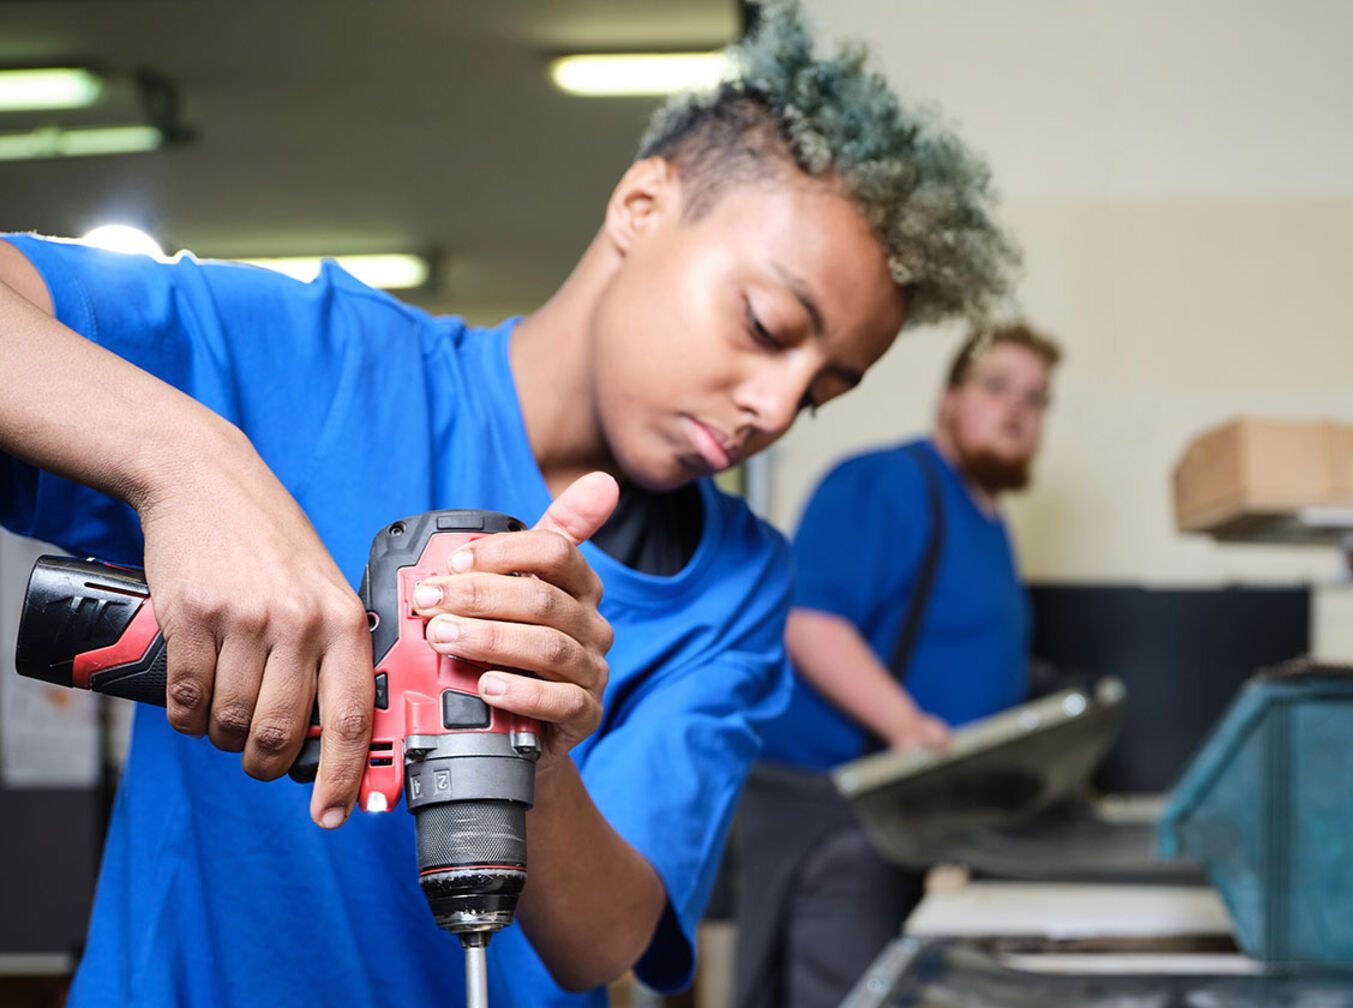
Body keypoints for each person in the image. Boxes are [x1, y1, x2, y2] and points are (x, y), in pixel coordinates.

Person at [0, 5, 1017, 1006]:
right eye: (765, 324)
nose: (778, 405)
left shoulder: (735, 582)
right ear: (643, 205)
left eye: (827, 387)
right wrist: (191, 462)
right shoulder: (311, 364)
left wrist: (535, 741)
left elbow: (607, 944)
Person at [734, 321, 1060, 1008]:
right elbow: (810, 622)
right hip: (834, 814)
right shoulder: (888, 483)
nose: (1016, 410)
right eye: (996, 387)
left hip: (908, 817)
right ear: (949, 398)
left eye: (1035, 399)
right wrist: (909, 724)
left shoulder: (986, 518)